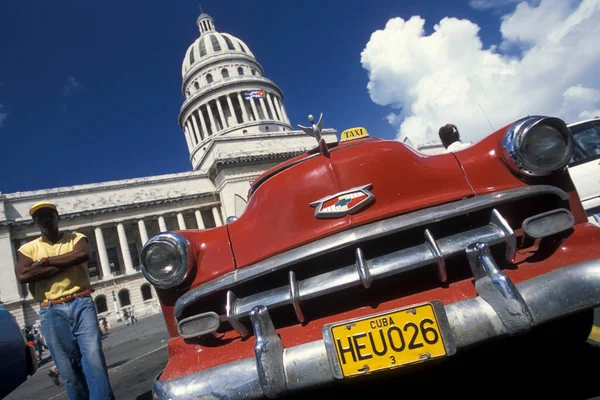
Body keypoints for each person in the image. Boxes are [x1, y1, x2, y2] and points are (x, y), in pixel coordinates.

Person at [14, 201, 114, 400]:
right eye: (40, 219)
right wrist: (67, 262)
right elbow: (23, 275)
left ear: (57, 217)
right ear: (35, 223)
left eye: (49, 216)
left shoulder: (76, 238)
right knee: (67, 370)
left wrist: (45, 263)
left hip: (81, 302)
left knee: (93, 359)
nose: (46, 221)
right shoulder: (28, 248)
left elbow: (83, 254)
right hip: (50, 310)